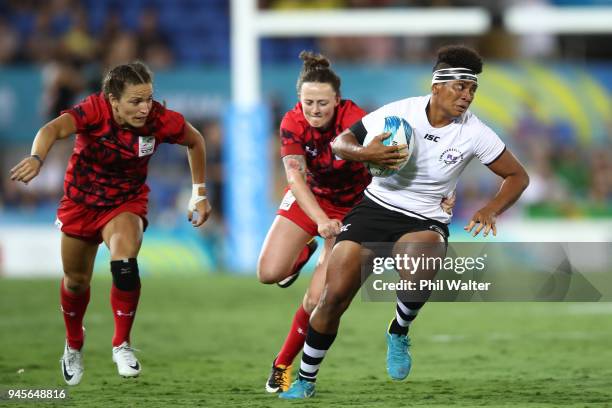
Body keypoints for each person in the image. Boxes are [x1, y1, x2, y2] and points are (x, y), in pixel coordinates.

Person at [280, 45, 530, 399]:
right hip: (375, 207)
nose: (467, 96)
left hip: (425, 217)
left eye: (472, 89)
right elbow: (341, 143)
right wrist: (365, 153)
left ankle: (399, 330)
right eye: (460, 86)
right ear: (437, 86)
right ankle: (305, 380)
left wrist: (491, 209)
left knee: (419, 264)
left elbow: (518, 176)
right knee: (333, 297)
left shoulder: (475, 132)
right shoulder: (400, 112)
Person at [258, 50, 456, 393]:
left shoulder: (360, 120)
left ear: (337, 100)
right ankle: (302, 255)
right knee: (268, 273)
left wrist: (438, 192)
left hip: (353, 209)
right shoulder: (291, 123)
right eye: (308, 103)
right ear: (299, 101)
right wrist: (319, 221)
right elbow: (295, 179)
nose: (315, 110)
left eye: (322, 103)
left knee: (317, 300)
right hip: (311, 201)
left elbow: (400, 160)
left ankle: (282, 365)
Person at [9, 61, 212, 386]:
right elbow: (52, 130)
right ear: (113, 101)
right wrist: (37, 157)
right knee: (76, 281)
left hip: (125, 202)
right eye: (136, 101)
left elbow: (196, 140)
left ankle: (122, 344)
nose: (145, 107)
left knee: (125, 265)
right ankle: (74, 344)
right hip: (81, 203)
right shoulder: (93, 111)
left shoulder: (159, 120)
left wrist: (198, 193)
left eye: (148, 98)